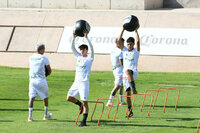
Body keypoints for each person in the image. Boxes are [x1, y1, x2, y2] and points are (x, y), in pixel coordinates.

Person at [66, 30, 94, 127]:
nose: (81, 51)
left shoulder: (90, 59)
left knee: (85, 102)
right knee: (69, 98)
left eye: (83, 49)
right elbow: (72, 48)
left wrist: (86, 38)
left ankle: (84, 122)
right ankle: (79, 105)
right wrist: (74, 38)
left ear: (86, 50)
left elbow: (92, 48)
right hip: (76, 82)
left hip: (84, 83)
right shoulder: (78, 57)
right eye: (81, 49)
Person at [118, 24, 140, 118]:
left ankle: (134, 87)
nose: (129, 45)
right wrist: (123, 29)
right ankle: (130, 111)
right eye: (128, 44)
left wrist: (136, 30)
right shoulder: (125, 50)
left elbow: (138, 41)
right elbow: (119, 41)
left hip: (133, 73)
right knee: (127, 94)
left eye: (131, 44)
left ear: (133, 44)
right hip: (125, 75)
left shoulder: (136, 51)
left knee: (128, 70)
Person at [28, 44, 52, 122]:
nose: (44, 51)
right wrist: (46, 74)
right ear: (41, 50)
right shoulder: (44, 58)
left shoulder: (31, 57)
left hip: (32, 81)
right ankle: (45, 115)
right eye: (44, 49)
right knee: (45, 98)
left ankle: (30, 117)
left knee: (31, 98)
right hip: (41, 80)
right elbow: (49, 70)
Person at [106, 38, 127, 107]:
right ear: (118, 43)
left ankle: (121, 100)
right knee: (117, 85)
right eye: (122, 43)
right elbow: (121, 62)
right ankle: (109, 101)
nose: (123, 45)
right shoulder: (119, 51)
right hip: (119, 69)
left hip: (115, 68)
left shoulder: (113, 50)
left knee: (121, 85)